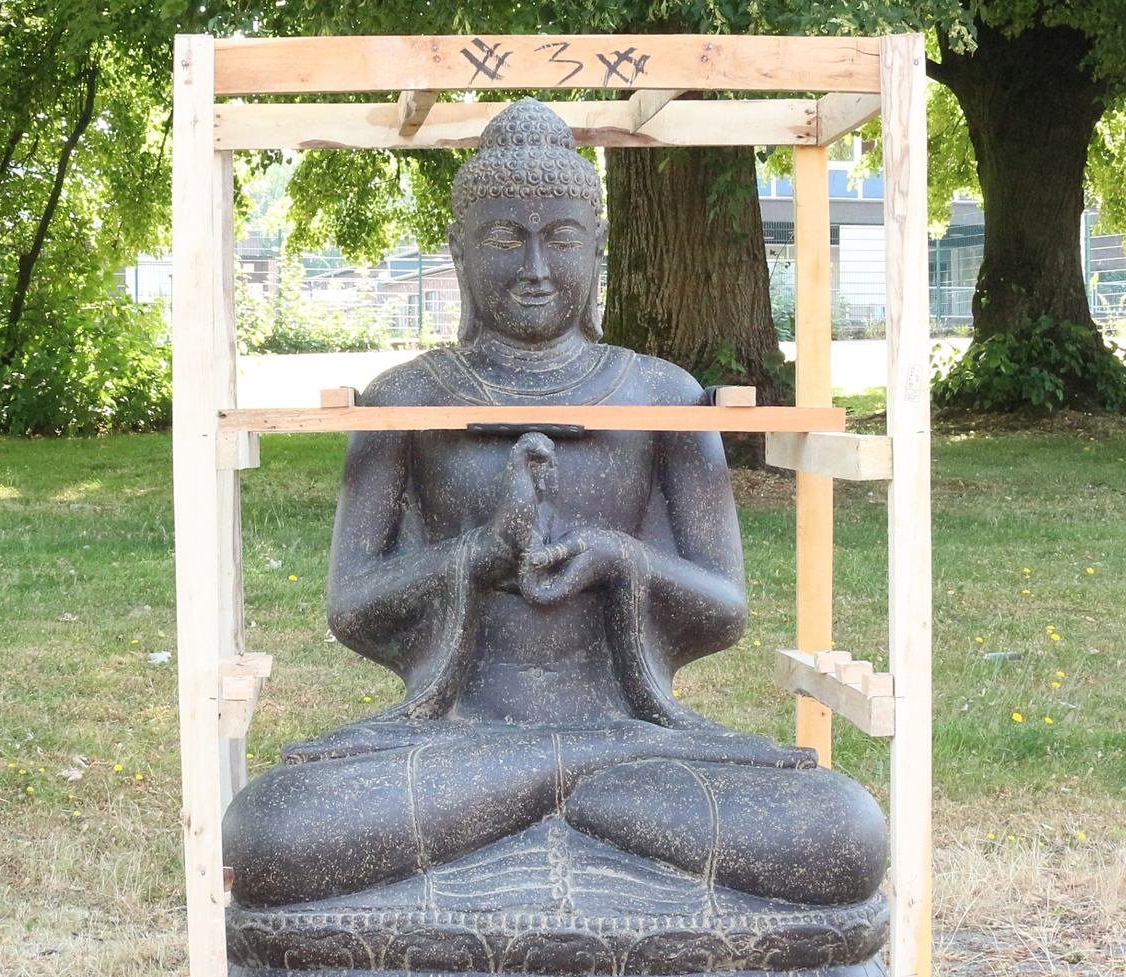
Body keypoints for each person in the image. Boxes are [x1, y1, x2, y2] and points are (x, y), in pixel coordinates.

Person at [222, 99, 886, 922]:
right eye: (506, 239)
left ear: (598, 251)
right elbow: (351, 607)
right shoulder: (405, 401)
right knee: (270, 833)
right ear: (460, 253)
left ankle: (533, 815)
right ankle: (567, 809)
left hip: (630, 742)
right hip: (460, 742)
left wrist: (617, 556)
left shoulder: (664, 397)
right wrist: (479, 557)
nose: (536, 268)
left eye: (561, 239)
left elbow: (726, 609)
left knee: (844, 835)